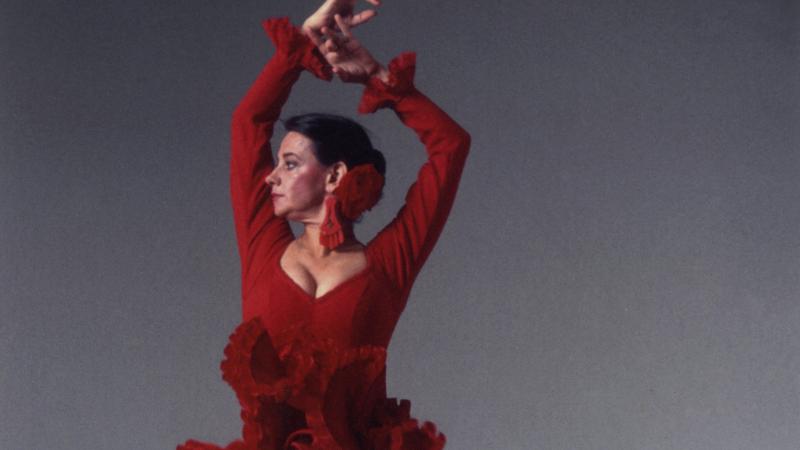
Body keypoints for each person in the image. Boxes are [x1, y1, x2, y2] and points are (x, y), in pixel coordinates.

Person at [178, 1, 470, 448]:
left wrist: (377, 75)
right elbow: (248, 123)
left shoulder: (389, 263)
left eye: (290, 164)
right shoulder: (262, 240)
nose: (271, 176)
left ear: (334, 176)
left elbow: (451, 146)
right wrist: (301, 45)